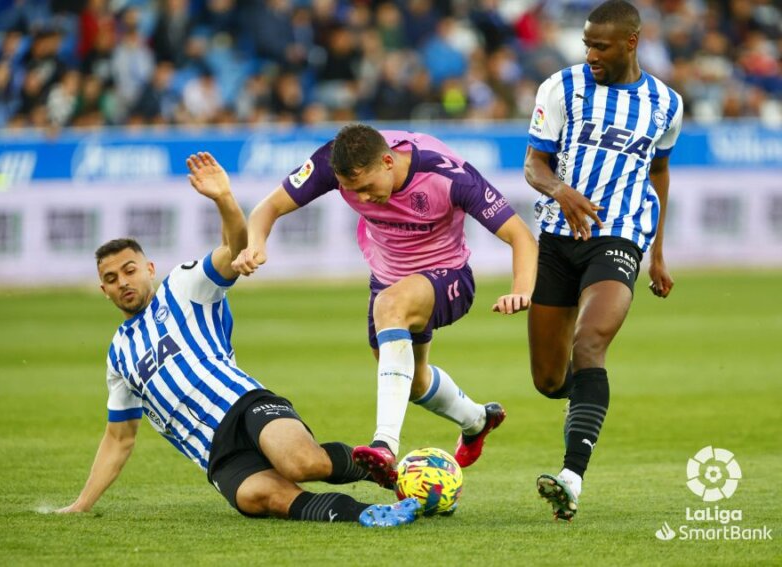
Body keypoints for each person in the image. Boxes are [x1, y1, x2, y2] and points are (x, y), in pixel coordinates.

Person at [56, 152, 420, 528]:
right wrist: (81, 504)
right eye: (112, 279)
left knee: (300, 463)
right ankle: (367, 514)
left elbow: (233, 253)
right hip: (216, 453)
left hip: (244, 406)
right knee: (263, 497)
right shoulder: (119, 355)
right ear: (104, 290)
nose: (124, 282)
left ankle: (390, 473)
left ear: (149, 269)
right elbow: (119, 439)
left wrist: (223, 200)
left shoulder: (184, 286)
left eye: (129, 270)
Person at [231, 124, 538, 487]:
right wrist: (256, 246)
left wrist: (521, 289)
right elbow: (268, 208)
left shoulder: (447, 175)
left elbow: (520, 235)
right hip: (387, 279)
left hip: (448, 276)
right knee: (413, 381)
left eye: (366, 187)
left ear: (389, 161)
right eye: (350, 190)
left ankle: (385, 445)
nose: (360, 198)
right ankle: (477, 420)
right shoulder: (334, 162)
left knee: (390, 306)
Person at [523, 0, 682, 521]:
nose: (589, 53)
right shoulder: (561, 88)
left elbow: (657, 172)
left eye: (600, 45)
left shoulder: (665, 103)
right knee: (549, 381)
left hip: (620, 237)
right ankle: (585, 398)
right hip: (558, 236)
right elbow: (534, 165)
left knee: (590, 343)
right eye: (586, 43)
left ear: (631, 42)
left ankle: (571, 477)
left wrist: (656, 252)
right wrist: (561, 192)